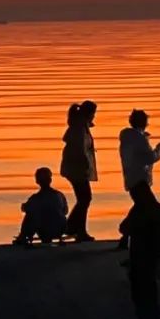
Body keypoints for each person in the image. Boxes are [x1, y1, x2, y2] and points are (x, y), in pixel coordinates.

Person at [118, 180, 160, 319]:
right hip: (153, 255)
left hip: (142, 256)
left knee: (141, 290)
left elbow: (124, 228)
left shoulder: (140, 210)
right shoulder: (159, 209)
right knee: (149, 289)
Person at [61, 101, 98, 241]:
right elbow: (80, 149)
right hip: (77, 169)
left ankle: (73, 226)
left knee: (84, 198)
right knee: (85, 198)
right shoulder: (79, 128)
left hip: (77, 169)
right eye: (93, 113)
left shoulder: (82, 126)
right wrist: (86, 166)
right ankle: (77, 229)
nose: (94, 116)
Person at [14, 167, 69, 245]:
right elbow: (65, 211)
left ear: (37, 181)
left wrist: (25, 206)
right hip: (60, 229)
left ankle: (23, 236)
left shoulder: (36, 198)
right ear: (50, 180)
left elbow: (25, 208)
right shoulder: (59, 195)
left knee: (30, 214)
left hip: (45, 231)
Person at [119, 109, 160, 193]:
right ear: (144, 123)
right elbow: (150, 158)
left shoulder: (128, 138)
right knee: (149, 201)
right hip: (140, 181)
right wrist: (159, 150)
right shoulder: (139, 139)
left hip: (132, 181)